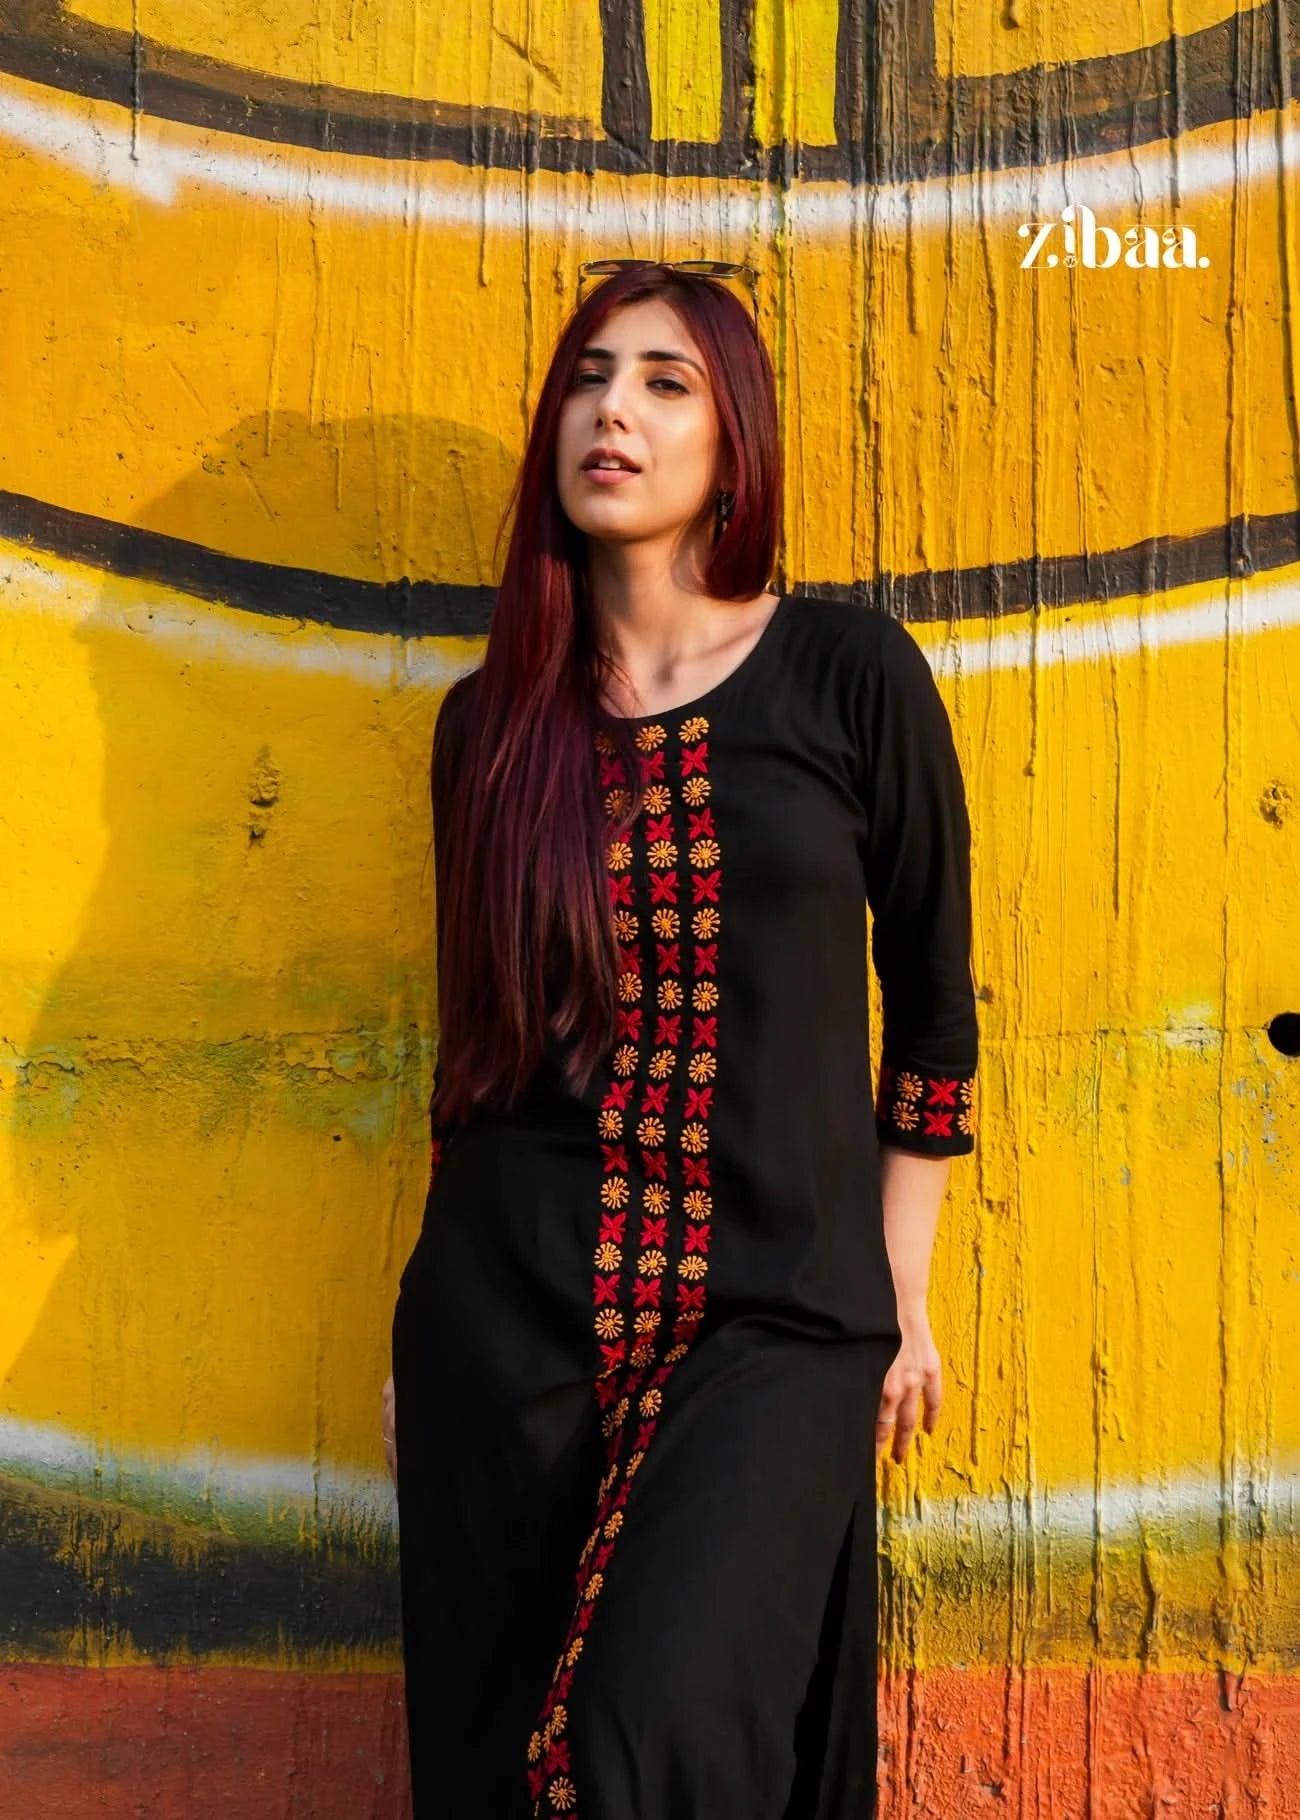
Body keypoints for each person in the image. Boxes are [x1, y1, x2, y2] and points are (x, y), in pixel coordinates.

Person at [382, 260, 979, 1820]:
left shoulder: (851, 675)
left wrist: (897, 1287)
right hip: (508, 1330)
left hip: (777, 1321)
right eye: (589, 378)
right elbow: (483, 1057)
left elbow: (932, 1013)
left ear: (737, 443)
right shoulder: (490, 729)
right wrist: (421, 1327)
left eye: (665, 382)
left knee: (640, 1741)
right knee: (506, 1760)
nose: (613, 414)